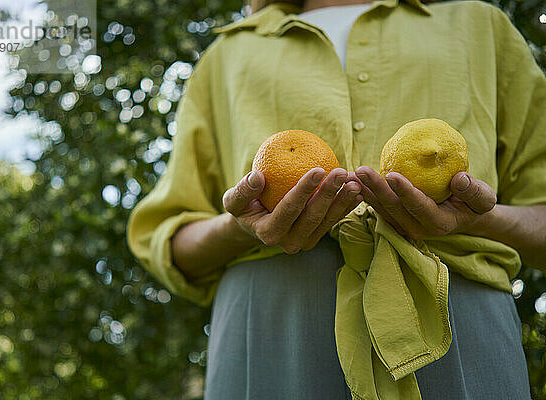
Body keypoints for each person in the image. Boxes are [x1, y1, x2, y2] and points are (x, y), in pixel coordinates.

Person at [126, 0, 546, 398]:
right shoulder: (227, 54)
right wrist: (241, 227)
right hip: (273, 328)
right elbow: (172, 241)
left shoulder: (478, 25)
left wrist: (477, 219)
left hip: (456, 320)